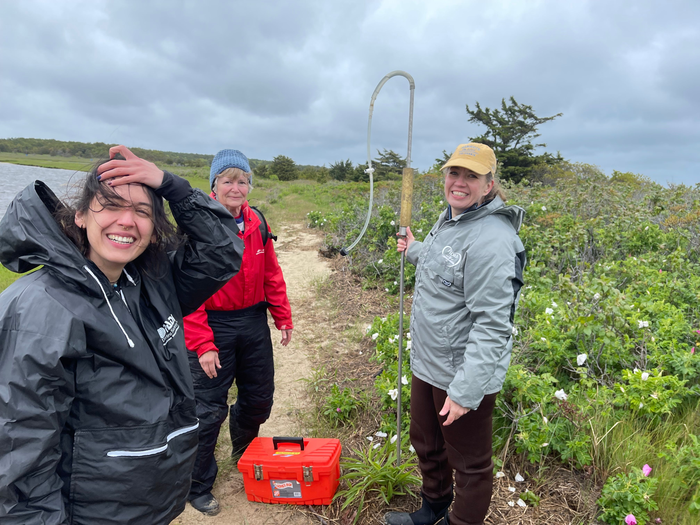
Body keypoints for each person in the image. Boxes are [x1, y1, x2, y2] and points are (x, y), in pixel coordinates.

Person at [0, 146, 244, 525]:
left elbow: (223, 250)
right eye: (111, 205)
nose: (127, 221)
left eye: (142, 211)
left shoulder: (151, 282)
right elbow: (20, 447)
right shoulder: (42, 308)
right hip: (88, 513)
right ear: (80, 216)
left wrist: (170, 185)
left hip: (147, 503)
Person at [385, 143, 526, 525]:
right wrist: (415, 249)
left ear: (489, 185)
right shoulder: (452, 219)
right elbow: (446, 267)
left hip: (463, 373)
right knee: (427, 445)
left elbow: (493, 326)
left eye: (471, 176)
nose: (459, 183)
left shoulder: (493, 240)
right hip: (430, 361)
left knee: (469, 463)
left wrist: (465, 391)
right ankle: (433, 509)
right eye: (454, 173)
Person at [184, 149, 293, 515]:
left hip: (252, 321)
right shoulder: (199, 226)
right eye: (228, 180)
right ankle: (197, 485)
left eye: (242, 180)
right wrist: (202, 343)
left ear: (249, 185)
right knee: (207, 409)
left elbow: (271, 274)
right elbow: (187, 291)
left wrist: (282, 316)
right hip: (211, 323)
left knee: (260, 397)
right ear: (213, 185)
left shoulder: (257, 222)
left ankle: (243, 454)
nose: (236, 187)